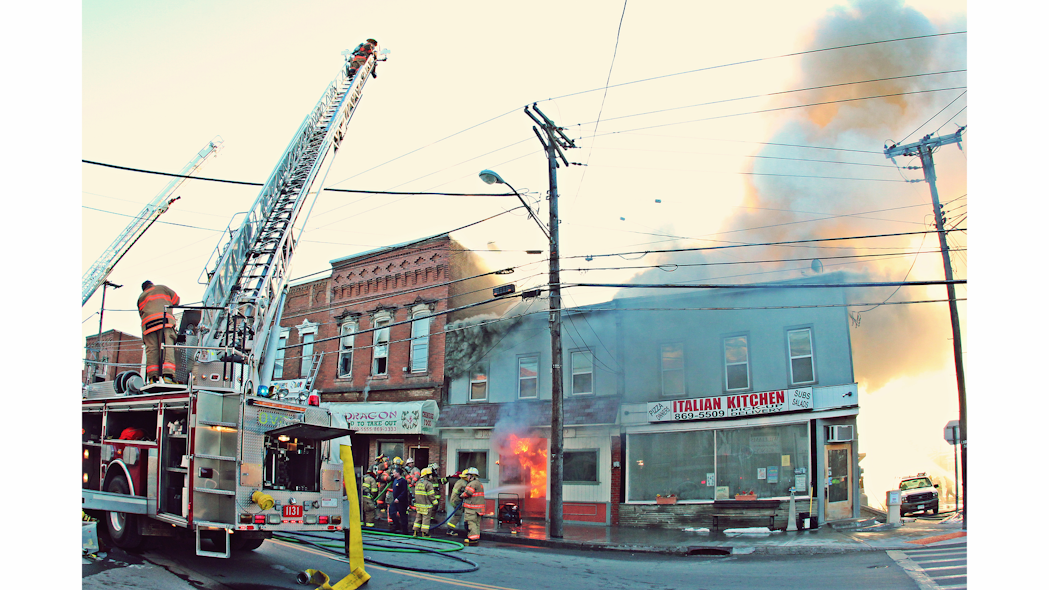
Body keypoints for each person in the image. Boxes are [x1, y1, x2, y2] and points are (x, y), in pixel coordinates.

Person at [137, 281, 180, 384]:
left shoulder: (141, 297)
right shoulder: (162, 288)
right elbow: (176, 300)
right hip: (164, 321)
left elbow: (141, 313)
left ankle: (152, 378)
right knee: (167, 346)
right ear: (152, 284)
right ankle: (168, 376)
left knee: (152, 350)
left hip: (147, 326)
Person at [459, 467, 485, 546]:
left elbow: (468, 493)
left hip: (471, 508)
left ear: (472, 476)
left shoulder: (472, 483)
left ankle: (472, 538)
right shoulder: (479, 483)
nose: (467, 477)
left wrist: (462, 495)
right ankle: (476, 537)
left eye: (468, 475)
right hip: (478, 509)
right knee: (476, 523)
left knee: (471, 523)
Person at [412, 468, 440, 537]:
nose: (431, 476)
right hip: (426, 506)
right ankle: (424, 533)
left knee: (418, 518)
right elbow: (431, 496)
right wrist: (435, 502)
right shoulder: (428, 484)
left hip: (419, 505)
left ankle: (415, 532)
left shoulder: (418, 483)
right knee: (426, 519)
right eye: (430, 475)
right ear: (426, 475)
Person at [389, 467, 410, 535]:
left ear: (398, 473)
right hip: (395, 500)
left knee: (403, 515)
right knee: (391, 511)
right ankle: (396, 525)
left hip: (401, 501)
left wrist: (399, 498)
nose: (393, 474)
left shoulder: (403, 481)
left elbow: (404, 492)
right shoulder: (395, 480)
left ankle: (405, 530)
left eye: (394, 472)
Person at [445, 471, 467, 536]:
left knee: (459, 513)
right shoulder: (464, 483)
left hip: (454, 500)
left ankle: (450, 528)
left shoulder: (460, 481)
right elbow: (464, 492)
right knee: (457, 515)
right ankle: (450, 529)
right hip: (457, 501)